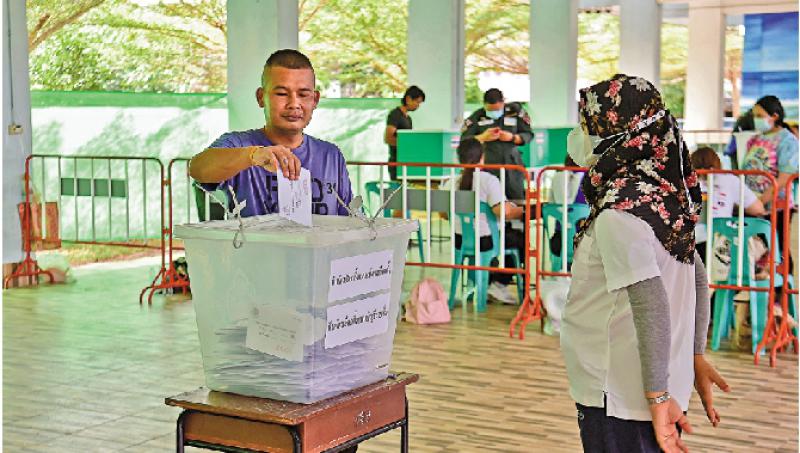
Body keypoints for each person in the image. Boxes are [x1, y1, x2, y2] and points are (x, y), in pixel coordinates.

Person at [560, 74, 730, 453]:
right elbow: (697, 276)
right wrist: (695, 356)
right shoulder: (665, 196)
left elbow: (650, 304)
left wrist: (655, 399)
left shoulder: (620, 212)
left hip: (621, 392)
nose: (578, 134)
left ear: (619, 134)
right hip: (656, 384)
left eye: (587, 125)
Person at [189, 49, 352, 217]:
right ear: (261, 97)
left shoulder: (331, 155)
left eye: (303, 94)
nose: (294, 104)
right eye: (281, 93)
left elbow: (349, 219)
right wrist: (253, 155)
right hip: (256, 244)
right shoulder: (238, 144)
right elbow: (198, 168)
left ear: (315, 100)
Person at [442, 137, 525, 304]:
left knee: (504, 237)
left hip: (460, 242)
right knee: (519, 240)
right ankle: (499, 284)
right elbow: (502, 212)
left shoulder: (450, 183)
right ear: (482, 157)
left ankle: (484, 284)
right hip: (486, 242)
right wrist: (521, 211)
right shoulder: (488, 180)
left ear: (459, 158)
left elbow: (444, 215)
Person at [741, 95, 799, 268]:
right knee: (752, 248)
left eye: (760, 116)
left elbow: (784, 177)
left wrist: (761, 201)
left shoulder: (788, 141)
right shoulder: (755, 140)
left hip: (776, 204)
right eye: (754, 115)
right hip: (753, 203)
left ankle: (782, 291)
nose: (756, 120)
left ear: (774, 116)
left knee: (777, 248)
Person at [690, 146, 766, 263]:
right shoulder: (729, 180)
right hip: (720, 242)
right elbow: (758, 209)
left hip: (689, 242)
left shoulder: (683, 182)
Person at [461, 88, 532, 200]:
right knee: (491, 199)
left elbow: (528, 134)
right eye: (490, 110)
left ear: (503, 102)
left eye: (498, 109)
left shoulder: (515, 113)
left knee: (517, 201)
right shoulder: (476, 117)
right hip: (488, 166)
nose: (494, 112)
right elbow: (464, 141)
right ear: (484, 104)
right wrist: (482, 137)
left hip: (512, 167)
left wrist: (513, 137)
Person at [384, 85, 425, 180]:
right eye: (417, 102)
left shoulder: (408, 118)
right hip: (396, 163)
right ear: (408, 99)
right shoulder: (395, 115)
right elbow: (388, 138)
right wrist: (406, 144)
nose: (418, 106)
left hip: (406, 163)